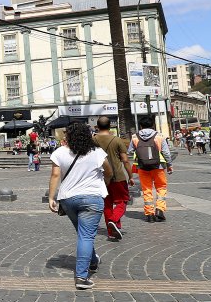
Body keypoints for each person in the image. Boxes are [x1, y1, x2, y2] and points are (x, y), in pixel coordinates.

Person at [48, 122, 113, 290]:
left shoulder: (60, 152)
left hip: (68, 199)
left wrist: (50, 197)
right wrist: (104, 183)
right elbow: (109, 171)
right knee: (86, 236)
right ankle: (81, 277)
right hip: (92, 198)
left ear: (68, 136)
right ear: (88, 135)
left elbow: (55, 175)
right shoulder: (96, 152)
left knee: (83, 232)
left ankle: (92, 261)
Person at [93, 116, 134, 241]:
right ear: (110, 126)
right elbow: (125, 160)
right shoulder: (117, 140)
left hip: (100, 177)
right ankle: (114, 220)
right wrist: (131, 176)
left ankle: (111, 231)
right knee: (122, 201)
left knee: (107, 204)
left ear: (97, 126)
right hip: (117, 176)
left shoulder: (92, 140)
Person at [129, 116, 173, 223]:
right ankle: (160, 209)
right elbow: (166, 153)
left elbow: (129, 152)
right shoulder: (159, 136)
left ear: (140, 126)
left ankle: (149, 214)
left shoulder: (135, 137)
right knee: (161, 187)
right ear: (153, 125)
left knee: (147, 189)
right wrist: (169, 165)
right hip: (158, 166)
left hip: (143, 167)